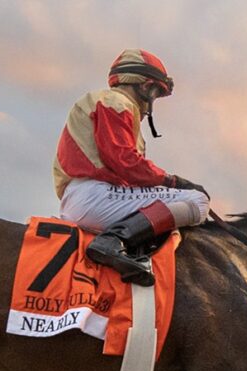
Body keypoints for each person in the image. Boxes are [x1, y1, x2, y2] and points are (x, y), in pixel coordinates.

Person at [54, 49, 211, 286]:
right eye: (156, 94)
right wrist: (172, 181)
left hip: (87, 198)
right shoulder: (115, 102)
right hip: (96, 197)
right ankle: (113, 241)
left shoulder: (107, 104)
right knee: (197, 200)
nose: (151, 105)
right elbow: (124, 161)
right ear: (146, 86)